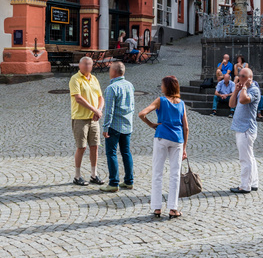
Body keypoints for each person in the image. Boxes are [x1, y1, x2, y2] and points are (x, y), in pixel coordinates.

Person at [139, 75, 188, 219]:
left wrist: (152, 124)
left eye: (162, 85)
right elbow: (186, 128)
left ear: (166, 87)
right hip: (177, 140)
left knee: (158, 173)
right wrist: (184, 147)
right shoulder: (181, 103)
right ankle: (173, 208)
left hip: (161, 137)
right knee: (174, 174)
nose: (161, 87)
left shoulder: (160, 101)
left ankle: (157, 208)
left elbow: (142, 114)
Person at [99, 60, 135, 192]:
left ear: (113, 72)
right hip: (127, 125)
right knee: (126, 152)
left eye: (110, 70)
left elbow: (109, 111)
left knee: (111, 153)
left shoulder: (111, 88)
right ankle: (129, 181)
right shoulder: (130, 85)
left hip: (114, 126)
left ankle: (114, 183)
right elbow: (132, 107)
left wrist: (105, 128)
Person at [69, 56, 104, 186]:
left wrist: (99, 110)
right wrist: (95, 110)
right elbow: (78, 98)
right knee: (81, 147)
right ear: (80, 65)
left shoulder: (94, 79)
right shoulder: (75, 79)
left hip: (94, 118)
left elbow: (101, 97)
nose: (87, 66)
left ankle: (94, 175)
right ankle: (77, 176)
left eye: (89, 64)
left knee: (94, 146)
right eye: (85, 64)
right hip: (80, 117)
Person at [229, 67, 261, 194]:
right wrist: (236, 90)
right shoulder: (242, 89)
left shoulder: (254, 90)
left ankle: (245, 186)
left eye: (242, 76)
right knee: (250, 158)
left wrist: (243, 88)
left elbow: (243, 100)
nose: (239, 77)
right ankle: (253, 183)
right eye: (238, 75)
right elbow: (231, 104)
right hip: (241, 128)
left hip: (246, 129)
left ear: (249, 78)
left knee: (245, 159)